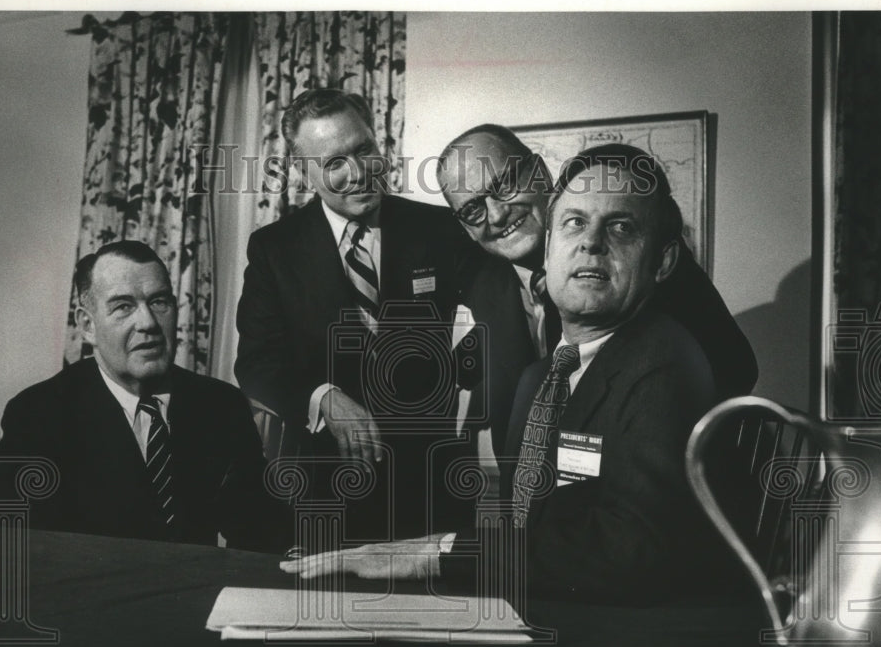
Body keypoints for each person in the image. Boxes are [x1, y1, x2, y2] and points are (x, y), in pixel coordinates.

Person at [281, 146, 746, 607]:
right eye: (575, 223)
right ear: (550, 245)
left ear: (663, 262)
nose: (590, 243)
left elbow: (630, 549)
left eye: (620, 227)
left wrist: (437, 553)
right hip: (538, 595)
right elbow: (536, 529)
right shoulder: (536, 374)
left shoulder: (666, 361)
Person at [437, 128, 757, 498]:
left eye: (504, 185)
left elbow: (734, 367)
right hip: (531, 509)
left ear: (539, 172)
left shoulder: (636, 257)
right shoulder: (481, 280)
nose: (496, 214)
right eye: (472, 209)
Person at [234, 88, 475, 546]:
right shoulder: (274, 249)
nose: (359, 172)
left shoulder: (442, 230)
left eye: (364, 149)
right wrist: (322, 396)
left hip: (434, 483)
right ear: (303, 172)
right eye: (334, 163)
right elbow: (256, 363)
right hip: (328, 487)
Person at [0, 241, 288, 551]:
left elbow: (261, 529)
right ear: (87, 326)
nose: (148, 323)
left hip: (198, 581)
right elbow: (20, 549)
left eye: (159, 302)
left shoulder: (222, 405)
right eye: (123, 306)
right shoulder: (37, 414)